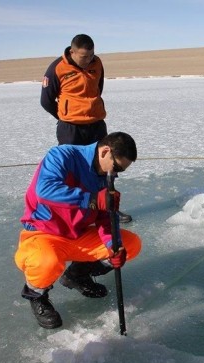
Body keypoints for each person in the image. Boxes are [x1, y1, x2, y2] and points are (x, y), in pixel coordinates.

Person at [14, 132, 142, 329]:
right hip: (43, 233)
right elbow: (45, 190)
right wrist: (91, 199)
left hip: (77, 235)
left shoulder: (105, 175)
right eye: (116, 167)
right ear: (105, 151)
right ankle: (37, 295)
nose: (116, 174)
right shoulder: (63, 156)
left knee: (129, 245)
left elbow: (105, 217)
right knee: (46, 261)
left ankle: (77, 275)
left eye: (120, 171)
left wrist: (113, 244)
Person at [40, 33, 132, 223]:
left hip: (96, 125)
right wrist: (65, 116)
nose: (88, 60)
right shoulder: (57, 68)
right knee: (72, 172)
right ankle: (74, 213)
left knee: (107, 167)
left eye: (91, 55)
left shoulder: (97, 63)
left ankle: (108, 210)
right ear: (72, 51)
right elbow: (46, 100)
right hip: (71, 128)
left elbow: (98, 88)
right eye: (84, 56)